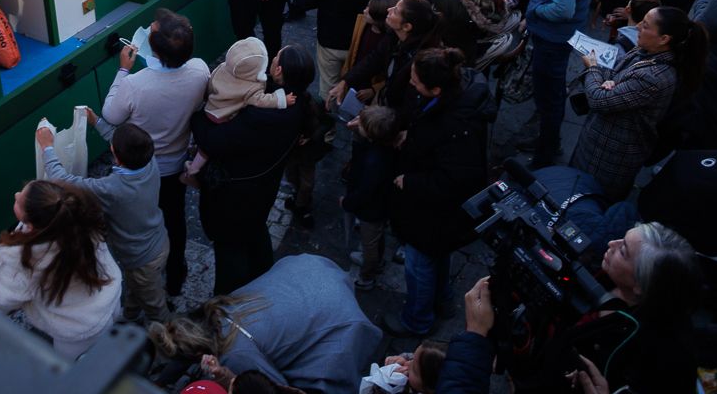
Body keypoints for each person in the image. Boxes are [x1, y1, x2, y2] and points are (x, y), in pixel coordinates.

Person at [442, 223, 701, 393]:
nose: (611, 243)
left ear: (641, 286)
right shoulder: (598, 276)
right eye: (622, 237)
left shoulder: (658, 354)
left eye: (623, 251)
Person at [148, 254, 380, 394]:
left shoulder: (235, 356)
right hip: (313, 277)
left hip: (335, 316)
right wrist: (161, 381)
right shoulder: (217, 309)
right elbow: (183, 351)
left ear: (199, 352)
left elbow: (275, 388)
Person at [99, 9, 209, 300]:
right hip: (175, 165)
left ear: (154, 49)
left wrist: (123, 70)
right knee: (175, 219)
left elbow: (110, 114)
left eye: (152, 28)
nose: (149, 26)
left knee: (141, 220)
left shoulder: (136, 84)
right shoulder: (199, 71)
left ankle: (143, 274)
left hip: (142, 167)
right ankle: (175, 273)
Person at [383, 49, 493, 337]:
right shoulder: (451, 101)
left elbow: (455, 178)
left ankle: (416, 320)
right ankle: (442, 300)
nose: (412, 84)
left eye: (416, 82)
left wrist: (411, 182)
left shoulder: (457, 124)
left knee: (419, 266)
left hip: (434, 212)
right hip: (440, 216)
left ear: (436, 89)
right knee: (437, 256)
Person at [191, 46, 313, 295]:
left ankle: (228, 307)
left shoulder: (260, 118)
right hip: (263, 189)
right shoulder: (298, 104)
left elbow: (214, 141)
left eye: (276, 56)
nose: (272, 57)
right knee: (256, 233)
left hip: (235, 197)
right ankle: (265, 281)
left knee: (230, 252)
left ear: (278, 70)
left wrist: (198, 117)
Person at [38, 120, 168, 325]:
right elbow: (121, 143)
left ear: (116, 155)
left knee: (155, 305)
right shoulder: (148, 161)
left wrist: (47, 147)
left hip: (140, 257)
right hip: (158, 239)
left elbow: (63, 180)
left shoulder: (113, 188)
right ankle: (130, 314)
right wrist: (96, 121)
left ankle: (169, 340)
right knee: (136, 286)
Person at [571, 7, 707, 200]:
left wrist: (593, 69)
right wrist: (609, 81)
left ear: (664, 39)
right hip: (598, 141)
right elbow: (613, 73)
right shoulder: (643, 51)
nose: (637, 29)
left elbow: (599, 100)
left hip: (612, 155)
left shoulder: (654, 77)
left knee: (589, 199)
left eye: (645, 26)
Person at [0, 179, 121, 358]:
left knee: (75, 369)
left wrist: (0, 258)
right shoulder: (81, 219)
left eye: (19, 201)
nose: (16, 195)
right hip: (111, 300)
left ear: (31, 224)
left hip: (78, 330)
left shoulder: (26, 260)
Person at [527, 0, 598, 166]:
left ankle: (546, 151)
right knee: (551, 91)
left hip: (553, 37)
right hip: (558, 36)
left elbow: (562, 9)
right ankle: (548, 140)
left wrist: (534, 10)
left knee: (550, 93)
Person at [185, 37, 295, 184]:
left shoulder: (222, 68)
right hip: (224, 117)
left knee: (203, 142)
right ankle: (193, 170)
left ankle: (194, 151)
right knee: (207, 149)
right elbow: (262, 100)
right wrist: (281, 99)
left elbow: (210, 86)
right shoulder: (252, 87)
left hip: (211, 109)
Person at [341, 105, 398, 292]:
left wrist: (347, 203)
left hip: (372, 209)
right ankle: (376, 262)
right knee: (376, 237)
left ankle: (367, 275)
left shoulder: (376, 161)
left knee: (370, 242)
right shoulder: (385, 148)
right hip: (379, 205)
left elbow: (365, 191)